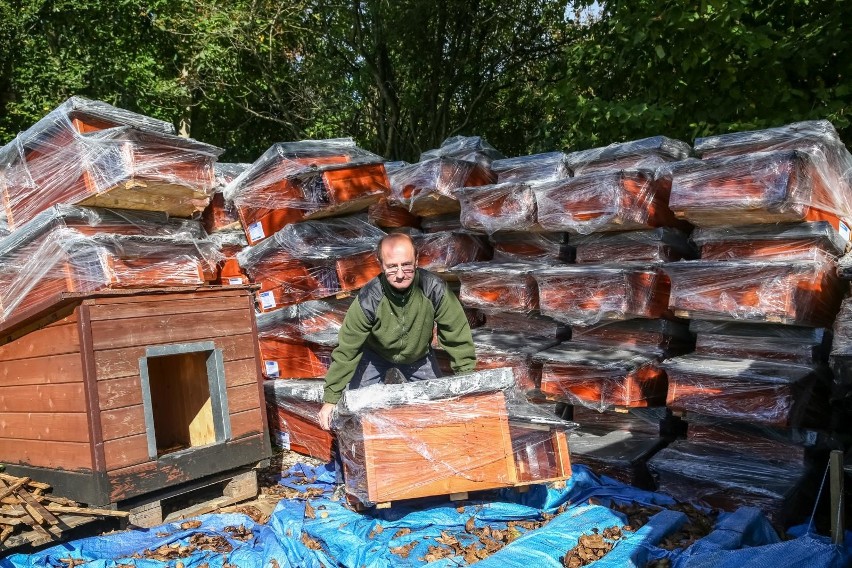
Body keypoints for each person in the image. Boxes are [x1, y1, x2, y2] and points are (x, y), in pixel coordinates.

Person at [318, 232, 476, 430]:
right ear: (380, 264)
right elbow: (347, 349)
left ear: (417, 260)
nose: (400, 274)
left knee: (436, 411)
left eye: (406, 265)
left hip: (418, 357)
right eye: (392, 267)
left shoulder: (434, 289)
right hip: (375, 355)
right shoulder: (369, 298)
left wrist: (468, 379)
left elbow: (457, 334)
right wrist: (331, 398)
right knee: (359, 411)